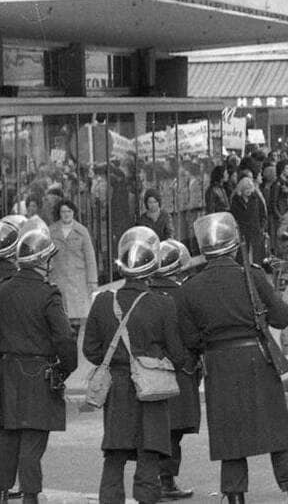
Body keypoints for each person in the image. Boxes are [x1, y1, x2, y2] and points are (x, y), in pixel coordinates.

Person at [175, 213, 288, 504]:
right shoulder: (252, 276)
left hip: (219, 367)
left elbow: (189, 340)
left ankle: (236, 498)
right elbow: (283, 317)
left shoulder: (189, 288)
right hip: (258, 360)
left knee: (231, 444)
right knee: (279, 437)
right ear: (234, 245)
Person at [83, 226, 191, 504]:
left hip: (116, 388)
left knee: (114, 455)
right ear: (152, 266)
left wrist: (117, 362)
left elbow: (91, 350)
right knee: (149, 455)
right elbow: (178, 355)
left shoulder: (103, 301)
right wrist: (153, 361)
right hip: (151, 388)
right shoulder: (162, 304)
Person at [0, 218, 78, 504]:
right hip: (38, 371)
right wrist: (64, 370)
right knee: (33, 440)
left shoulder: (3, 290)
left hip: (6, 370)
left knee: (8, 437)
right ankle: (30, 496)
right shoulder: (48, 293)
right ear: (42, 261)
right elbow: (65, 339)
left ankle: (3, 492)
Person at [148, 239, 200, 501]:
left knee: (155, 427)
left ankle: (154, 479)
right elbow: (192, 335)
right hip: (179, 369)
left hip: (148, 369)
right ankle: (166, 480)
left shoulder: (144, 293)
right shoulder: (184, 294)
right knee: (174, 430)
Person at [48, 199, 96, 325]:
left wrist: (92, 281)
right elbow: (47, 256)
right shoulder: (51, 231)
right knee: (60, 316)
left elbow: (90, 257)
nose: (66, 214)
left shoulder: (82, 231)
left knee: (77, 317)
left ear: (74, 212)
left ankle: (75, 335)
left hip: (78, 280)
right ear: (59, 213)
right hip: (58, 278)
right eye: (63, 211)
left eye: (69, 211)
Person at [229, 177, 268, 270]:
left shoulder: (256, 198)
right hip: (242, 230)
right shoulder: (236, 199)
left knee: (256, 254)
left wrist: (262, 227)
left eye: (250, 188)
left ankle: (256, 270)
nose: (249, 191)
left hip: (255, 229)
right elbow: (233, 215)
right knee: (242, 253)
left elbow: (262, 213)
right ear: (241, 189)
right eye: (246, 189)